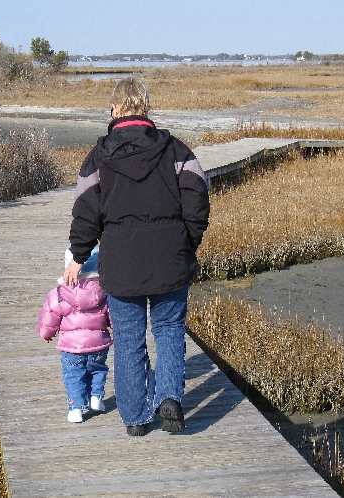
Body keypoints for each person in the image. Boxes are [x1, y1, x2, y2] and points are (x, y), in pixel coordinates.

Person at [63, 77, 210, 436]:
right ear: (145, 109)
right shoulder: (176, 150)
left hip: (122, 264)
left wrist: (78, 257)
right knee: (169, 329)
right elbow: (198, 199)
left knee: (129, 338)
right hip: (170, 259)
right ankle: (170, 397)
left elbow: (85, 211)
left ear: (115, 110)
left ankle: (135, 419)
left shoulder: (98, 156)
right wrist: (186, 242)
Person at [38, 245, 112, 423]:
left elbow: (50, 317)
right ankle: (96, 398)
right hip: (98, 344)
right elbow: (113, 317)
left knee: (74, 375)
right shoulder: (104, 291)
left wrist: (46, 333)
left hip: (72, 347)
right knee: (98, 369)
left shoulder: (60, 294)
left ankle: (76, 409)